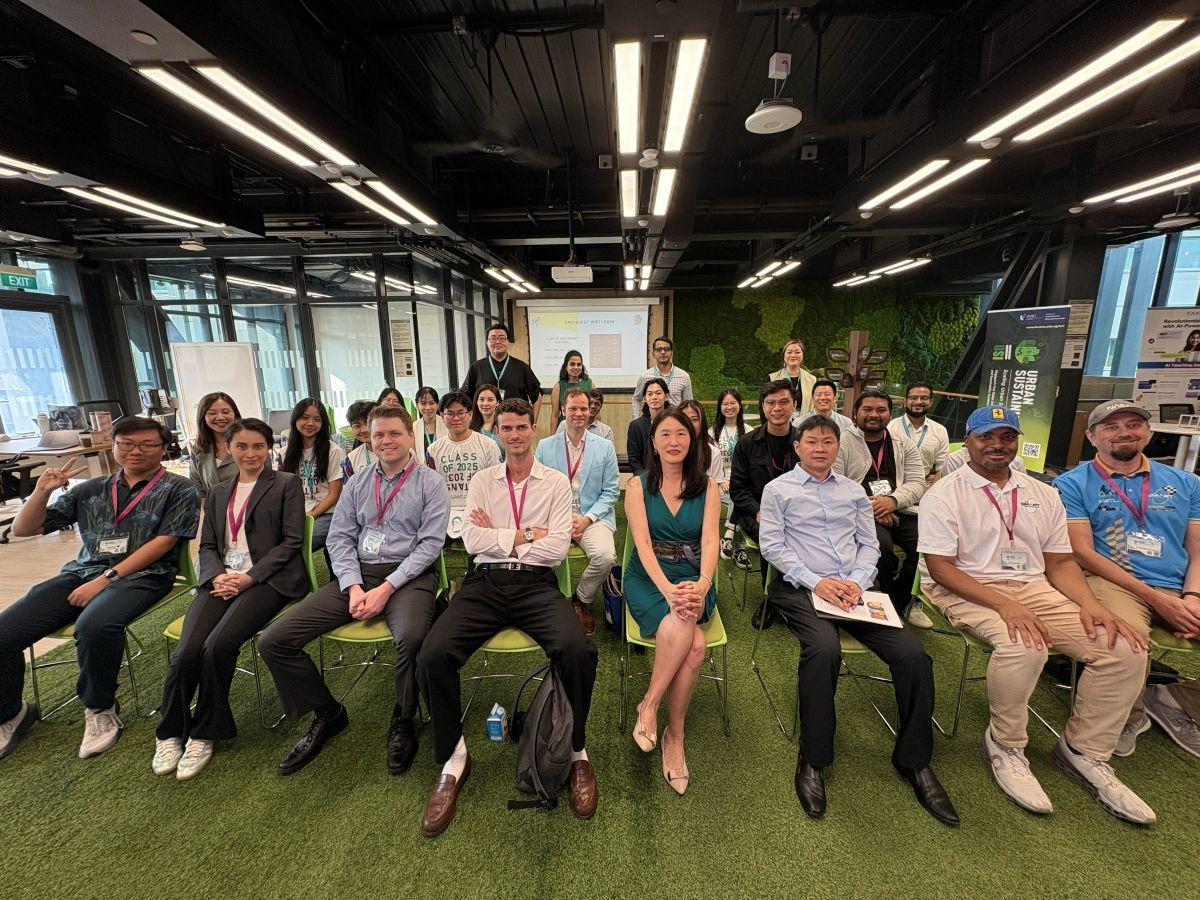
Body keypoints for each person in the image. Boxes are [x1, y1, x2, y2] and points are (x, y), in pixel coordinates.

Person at [918, 406, 1155, 825]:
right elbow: (941, 568)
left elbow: (1060, 563)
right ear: (968, 441)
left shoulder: (1041, 493)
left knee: (1126, 648)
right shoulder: (946, 493)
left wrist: (1092, 606)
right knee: (1025, 645)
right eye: (986, 437)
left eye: (1006, 437)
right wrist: (1004, 604)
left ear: (1016, 441)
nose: (997, 446)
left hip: (1033, 587)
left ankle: (1085, 751)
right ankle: (1006, 745)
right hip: (965, 586)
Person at [759, 415, 955, 824]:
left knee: (914, 656)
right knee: (824, 649)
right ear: (797, 447)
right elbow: (772, 546)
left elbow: (870, 545)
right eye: (811, 441)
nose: (819, 448)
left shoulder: (853, 492)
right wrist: (819, 583)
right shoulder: (778, 490)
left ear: (838, 448)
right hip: (801, 588)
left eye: (827, 442)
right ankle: (813, 757)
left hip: (856, 591)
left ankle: (914, 760)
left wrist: (856, 582)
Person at [417, 398, 598, 837]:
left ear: (534, 429)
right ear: (496, 431)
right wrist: (524, 535)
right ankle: (454, 757)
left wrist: (504, 538)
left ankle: (576, 752)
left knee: (578, 650)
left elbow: (556, 549)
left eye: (521, 427)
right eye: (507, 428)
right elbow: (470, 538)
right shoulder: (482, 480)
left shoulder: (555, 483)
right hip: (485, 584)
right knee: (432, 655)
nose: (514, 435)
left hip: (537, 584)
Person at [257, 404, 449, 776]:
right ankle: (328, 713)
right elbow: (340, 538)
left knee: (411, 639)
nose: (386, 441)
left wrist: (386, 589)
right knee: (274, 640)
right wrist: (354, 586)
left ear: (411, 436)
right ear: (368, 437)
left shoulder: (430, 482)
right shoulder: (358, 481)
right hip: (357, 576)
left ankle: (404, 717)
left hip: (408, 577)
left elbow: (429, 546)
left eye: (395, 433)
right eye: (379, 434)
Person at [0, 417, 199, 761]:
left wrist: (105, 579)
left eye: (146, 444)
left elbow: (164, 544)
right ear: (114, 446)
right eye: (126, 443)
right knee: (4, 633)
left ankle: (100, 709)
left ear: (163, 448)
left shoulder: (179, 489)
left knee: (94, 626)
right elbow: (24, 528)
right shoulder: (91, 489)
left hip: (144, 575)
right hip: (81, 573)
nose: (135, 451)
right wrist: (42, 491)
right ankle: (10, 713)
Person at [152, 418, 308, 780]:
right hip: (221, 579)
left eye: (258, 446)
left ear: (269, 448)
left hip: (268, 581)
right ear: (229, 448)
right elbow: (207, 545)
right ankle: (171, 730)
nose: (250, 453)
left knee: (218, 644)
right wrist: (217, 575)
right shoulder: (220, 491)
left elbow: (291, 542)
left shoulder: (286, 484)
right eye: (242, 446)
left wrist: (248, 577)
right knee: (187, 650)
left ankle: (205, 733)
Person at [1054, 399, 1200, 759]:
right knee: (1125, 643)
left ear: (1147, 432)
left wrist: (1193, 597)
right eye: (1111, 426)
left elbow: (1197, 551)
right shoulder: (1071, 483)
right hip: (1117, 582)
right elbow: (1082, 553)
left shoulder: (1186, 483)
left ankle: (1172, 696)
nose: (1124, 432)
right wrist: (1158, 600)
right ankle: (1128, 716)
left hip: (1180, 583)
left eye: (1133, 424)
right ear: (1092, 437)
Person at [624, 409, 720, 796]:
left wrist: (701, 584)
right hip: (649, 579)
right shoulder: (637, 485)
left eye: (682, 433)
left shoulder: (708, 486)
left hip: (696, 578)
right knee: (694, 644)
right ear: (654, 441)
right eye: (665, 434)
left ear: (693, 439)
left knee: (691, 635)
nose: (674, 441)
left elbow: (711, 542)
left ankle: (651, 706)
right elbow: (643, 546)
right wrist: (666, 587)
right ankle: (671, 733)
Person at [535, 388, 619, 636]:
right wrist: (558, 519)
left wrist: (587, 518)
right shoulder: (545, 446)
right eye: (573, 408)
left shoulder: (604, 447)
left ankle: (580, 599)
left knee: (605, 556)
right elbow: (537, 488)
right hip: (554, 517)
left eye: (584, 408)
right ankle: (551, 603)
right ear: (562, 411)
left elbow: (612, 491)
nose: (579, 413)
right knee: (538, 554)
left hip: (592, 516)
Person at [729, 380, 799, 628]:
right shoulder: (747, 443)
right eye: (771, 403)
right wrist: (760, 511)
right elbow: (738, 489)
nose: (777, 408)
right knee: (773, 535)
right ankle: (772, 599)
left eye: (783, 402)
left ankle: (799, 596)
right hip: (755, 513)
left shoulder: (805, 441)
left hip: (798, 514)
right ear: (763, 407)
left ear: (794, 405)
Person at [853, 389, 927, 616]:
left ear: (890, 414)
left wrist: (892, 501)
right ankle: (879, 600)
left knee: (925, 546)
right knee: (881, 549)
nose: (874, 414)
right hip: (859, 511)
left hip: (899, 508)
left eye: (880, 410)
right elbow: (836, 484)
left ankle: (897, 600)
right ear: (855, 413)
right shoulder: (843, 441)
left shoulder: (903, 444)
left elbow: (917, 483)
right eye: (867, 409)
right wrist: (874, 506)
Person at [426, 391, 501, 540]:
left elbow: (496, 482)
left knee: (478, 547)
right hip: (446, 511)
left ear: (470, 414)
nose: (456, 418)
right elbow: (431, 487)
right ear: (442, 416)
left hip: (480, 509)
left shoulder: (488, 445)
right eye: (450, 414)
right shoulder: (433, 450)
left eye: (461, 413)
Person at [279, 398, 345, 552]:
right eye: (304, 417)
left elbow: (334, 494)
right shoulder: (284, 453)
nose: (310, 423)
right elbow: (283, 491)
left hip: (328, 514)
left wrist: (311, 515)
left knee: (298, 542)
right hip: (297, 514)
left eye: (317, 419)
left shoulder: (333, 451)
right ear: (295, 419)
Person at [460, 323, 542, 421]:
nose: (498, 341)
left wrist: (533, 420)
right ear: (487, 342)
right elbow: (465, 394)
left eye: (502, 338)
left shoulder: (522, 367)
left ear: (508, 342)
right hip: (483, 422)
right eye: (493, 338)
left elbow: (537, 395)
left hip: (515, 421)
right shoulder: (476, 367)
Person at [799, 379, 871, 479]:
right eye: (819, 394)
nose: (823, 398)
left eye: (827, 394)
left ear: (834, 398)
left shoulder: (847, 423)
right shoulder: (799, 423)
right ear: (812, 399)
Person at [887, 382, 949, 479]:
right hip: (891, 481)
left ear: (931, 402)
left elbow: (942, 467)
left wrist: (932, 490)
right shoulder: (889, 427)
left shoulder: (940, 430)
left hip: (924, 482)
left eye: (924, 398)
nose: (918, 402)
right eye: (913, 398)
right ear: (905, 401)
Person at [187, 392, 240, 501]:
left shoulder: (251, 444)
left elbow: (266, 483)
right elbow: (197, 488)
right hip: (214, 513)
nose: (220, 417)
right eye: (212, 413)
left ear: (235, 414)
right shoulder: (198, 449)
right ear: (203, 417)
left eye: (226, 412)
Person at [713, 389, 746, 558]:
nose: (729, 407)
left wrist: (735, 481)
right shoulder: (712, 433)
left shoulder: (748, 431)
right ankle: (735, 540)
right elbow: (709, 462)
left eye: (733, 403)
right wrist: (720, 481)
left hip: (740, 481)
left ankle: (729, 534)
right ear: (720, 407)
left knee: (739, 493)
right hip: (718, 482)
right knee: (737, 495)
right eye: (725, 404)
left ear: (739, 406)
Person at [631, 336, 693, 415]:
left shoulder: (684, 376)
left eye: (666, 349)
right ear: (653, 354)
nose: (663, 352)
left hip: (675, 422)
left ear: (671, 352)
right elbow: (636, 399)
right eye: (659, 349)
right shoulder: (644, 376)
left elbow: (688, 403)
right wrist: (638, 420)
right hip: (651, 422)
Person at [626, 377, 670, 476]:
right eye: (650, 394)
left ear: (666, 396)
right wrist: (644, 479)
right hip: (644, 477)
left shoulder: (674, 423)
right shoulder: (636, 426)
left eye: (658, 393)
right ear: (645, 398)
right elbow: (634, 459)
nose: (654, 397)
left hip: (671, 476)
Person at [678, 400, 724, 483]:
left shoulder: (713, 453)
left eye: (694, 419)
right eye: (683, 419)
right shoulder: (668, 449)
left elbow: (715, 486)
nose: (689, 424)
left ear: (701, 422)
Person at [768, 340, 817, 415]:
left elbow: (814, 405)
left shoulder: (812, 380)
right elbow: (764, 406)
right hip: (779, 424)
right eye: (789, 352)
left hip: (806, 424)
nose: (793, 355)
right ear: (784, 355)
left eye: (797, 352)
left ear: (803, 355)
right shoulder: (772, 378)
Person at [551, 350, 593, 428]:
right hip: (565, 427)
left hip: (586, 427)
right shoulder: (558, 386)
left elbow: (595, 412)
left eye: (579, 364)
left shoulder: (590, 384)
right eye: (572, 364)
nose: (576, 367)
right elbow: (555, 415)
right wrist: (553, 438)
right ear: (566, 367)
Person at [342, 400, 378, 479]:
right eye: (357, 426)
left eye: (369, 423)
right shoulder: (350, 459)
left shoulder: (402, 452)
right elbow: (349, 490)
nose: (364, 429)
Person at [471, 384, 504, 459]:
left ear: (498, 402)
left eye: (490, 400)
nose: (485, 404)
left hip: (499, 468)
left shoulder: (504, 426)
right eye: (482, 400)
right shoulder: (469, 427)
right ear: (476, 402)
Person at [414, 386, 447, 464]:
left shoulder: (446, 423)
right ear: (417, 405)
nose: (428, 407)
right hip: (422, 472)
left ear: (438, 404)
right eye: (423, 403)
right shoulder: (413, 427)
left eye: (432, 403)